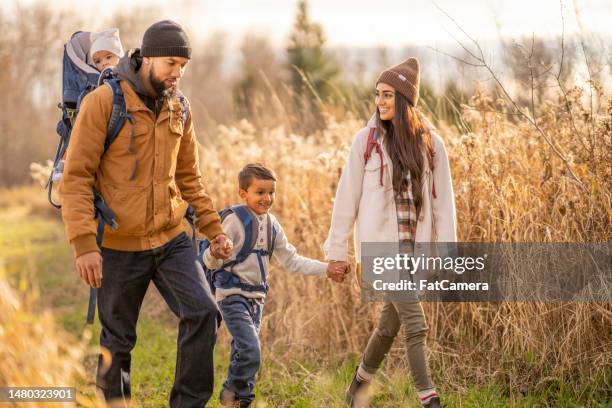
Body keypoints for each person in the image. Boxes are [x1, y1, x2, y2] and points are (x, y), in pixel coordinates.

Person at [59, 20, 232, 407]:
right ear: (148, 58)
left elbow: (189, 177)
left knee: (203, 314)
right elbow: (77, 178)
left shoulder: (179, 107)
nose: (178, 74)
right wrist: (84, 243)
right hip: (117, 245)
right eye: (171, 64)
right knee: (117, 342)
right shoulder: (104, 102)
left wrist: (213, 229)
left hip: (171, 239)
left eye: (183, 66)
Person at [324, 58, 456, 408]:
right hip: (380, 252)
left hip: (415, 253)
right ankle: (429, 398)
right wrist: (337, 251)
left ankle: (357, 387)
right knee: (417, 325)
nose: (380, 101)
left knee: (388, 326)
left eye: (387, 95)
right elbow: (346, 199)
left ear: (405, 100)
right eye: (377, 94)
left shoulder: (431, 145)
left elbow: (444, 206)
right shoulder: (364, 142)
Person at [204, 163, 346, 408]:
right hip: (232, 295)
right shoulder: (234, 221)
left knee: (242, 351)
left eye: (271, 193)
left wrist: (327, 269)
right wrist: (216, 253)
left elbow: (292, 261)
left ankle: (240, 401)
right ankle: (230, 396)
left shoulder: (272, 225)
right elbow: (211, 259)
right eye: (260, 192)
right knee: (251, 350)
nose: (267, 198)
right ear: (243, 193)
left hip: (257, 298)